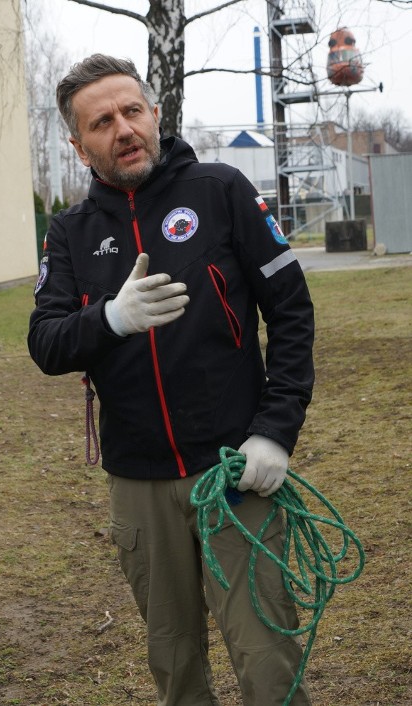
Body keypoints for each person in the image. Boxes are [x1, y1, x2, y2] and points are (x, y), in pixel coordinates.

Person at [28, 55, 315, 705]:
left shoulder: (221, 191)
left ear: (156, 114)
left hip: (233, 470)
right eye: (102, 122)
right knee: (174, 661)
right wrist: (110, 320)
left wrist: (275, 432)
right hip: (139, 484)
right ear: (79, 146)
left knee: (268, 658)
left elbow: (292, 314)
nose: (123, 128)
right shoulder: (71, 233)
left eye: (133, 111)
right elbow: (45, 344)